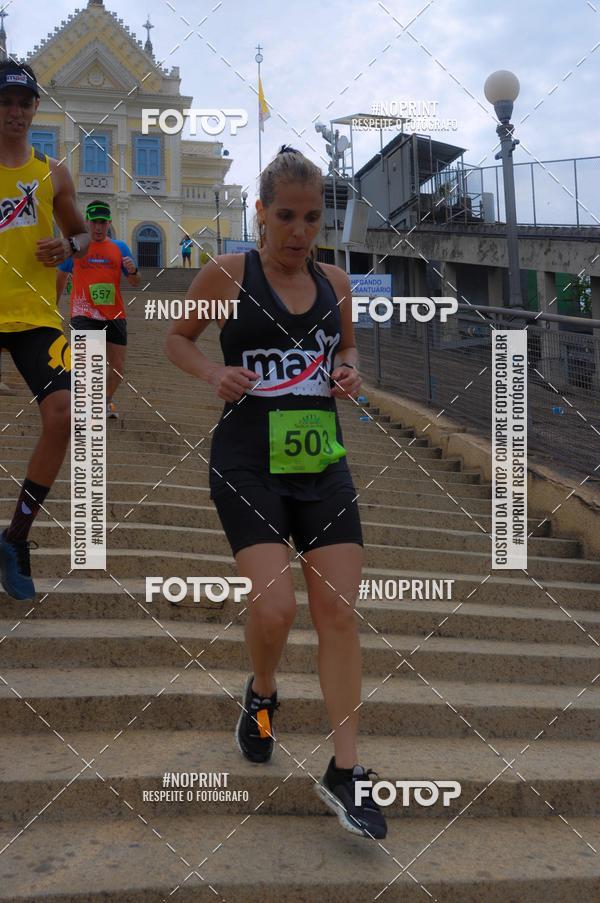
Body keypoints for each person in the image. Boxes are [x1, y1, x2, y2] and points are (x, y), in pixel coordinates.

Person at [165, 145, 387, 840]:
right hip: (246, 461)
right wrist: (212, 374)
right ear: (260, 213)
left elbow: (346, 349)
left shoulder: (336, 282)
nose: (299, 231)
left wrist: (349, 373)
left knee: (340, 613)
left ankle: (345, 768)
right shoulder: (227, 273)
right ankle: (261, 693)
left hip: (322, 461)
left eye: (312, 217)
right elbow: (177, 338)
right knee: (277, 606)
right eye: (285, 215)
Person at [0, 60, 89, 601]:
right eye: (5, 102)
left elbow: (82, 239)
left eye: (23, 102)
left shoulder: (53, 172)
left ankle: (15, 538)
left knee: (67, 414)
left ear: (36, 108)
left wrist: (67, 248)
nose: (14, 111)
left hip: (35, 316)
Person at [56, 200, 140, 419]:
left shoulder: (119, 248)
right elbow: (62, 275)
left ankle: (105, 401)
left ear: (109, 222)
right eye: (94, 222)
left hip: (114, 314)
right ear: (87, 222)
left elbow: (135, 282)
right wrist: (53, 306)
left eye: (102, 222)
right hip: (84, 312)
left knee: (118, 367)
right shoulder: (77, 247)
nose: (98, 227)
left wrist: (133, 271)